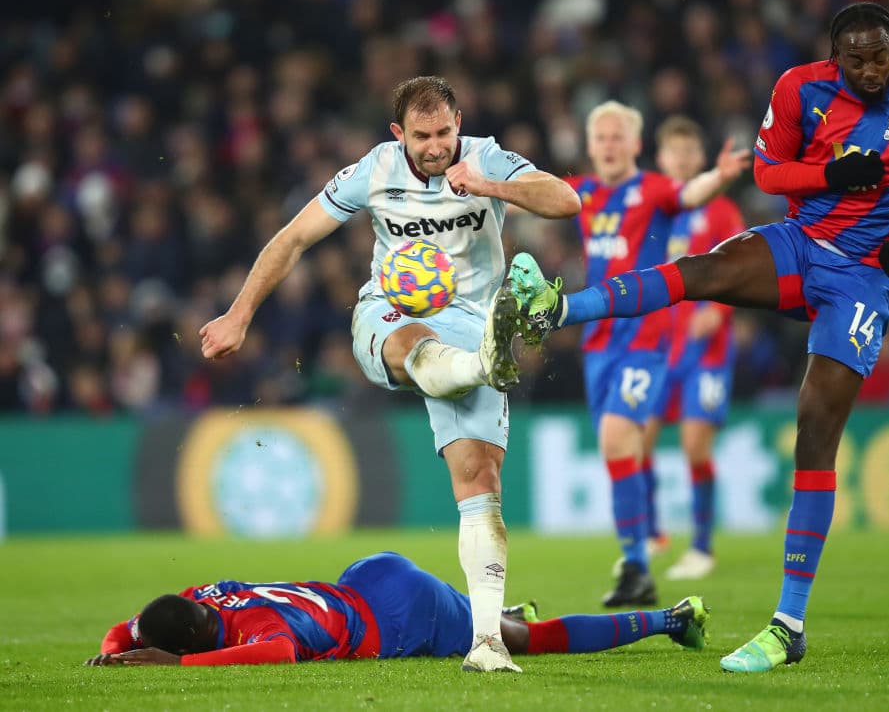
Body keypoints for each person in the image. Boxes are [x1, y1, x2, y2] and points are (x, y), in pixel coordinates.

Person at [500, 2, 889, 672]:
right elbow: (771, 173)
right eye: (855, 59)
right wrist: (829, 174)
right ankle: (556, 307)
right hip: (802, 244)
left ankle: (788, 623)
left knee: (814, 425)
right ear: (835, 55)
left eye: (880, 57)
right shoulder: (800, 87)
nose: (868, 70)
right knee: (701, 269)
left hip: (862, 277)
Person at [198, 76, 581, 673]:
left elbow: (566, 201)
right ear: (399, 133)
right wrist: (239, 314)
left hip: (473, 324)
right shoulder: (372, 171)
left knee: (480, 479)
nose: (436, 147)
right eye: (423, 136)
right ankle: (485, 362)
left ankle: (486, 644)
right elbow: (295, 236)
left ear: (460, 120)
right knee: (414, 342)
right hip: (392, 313)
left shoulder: (485, 158)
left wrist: (486, 185)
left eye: (445, 133)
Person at [555, 101, 749, 608]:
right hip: (598, 338)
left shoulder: (655, 190)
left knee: (632, 436)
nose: (610, 145)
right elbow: (536, 196)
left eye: (619, 136)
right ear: (591, 145)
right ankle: (638, 561)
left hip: (646, 334)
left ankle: (674, 550)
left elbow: (690, 193)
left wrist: (718, 176)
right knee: (618, 448)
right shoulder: (583, 193)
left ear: (637, 145)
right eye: (602, 137)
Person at [83, 551, 710, 666]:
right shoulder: (199, 598)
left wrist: (172, 666)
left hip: (400, 617)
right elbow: (128, 627)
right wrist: (118, 647)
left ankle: (671, 619)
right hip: (366, 576)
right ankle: (492, 608)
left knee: (526, 639)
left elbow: (276, 652)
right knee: (489, 616)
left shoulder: (259, 631)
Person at [642, 116, 747, 581]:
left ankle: (702, 546)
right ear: (661, 159)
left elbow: (743, 270)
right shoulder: (652, 210)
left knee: (694, 446)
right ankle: (652, 533)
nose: (682, 160)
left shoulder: (721, 212)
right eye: (674, 152)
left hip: (705, 349)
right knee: (637, 437)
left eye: (690, 152)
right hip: (658, 347)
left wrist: (719, 311)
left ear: (700, 158)